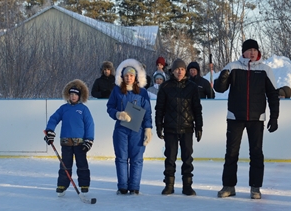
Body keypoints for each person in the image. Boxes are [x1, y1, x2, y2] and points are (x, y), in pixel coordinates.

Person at [214, 39, 280, 199]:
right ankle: (229, 186)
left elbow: (273, 95)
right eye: (249, 50)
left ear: (258, 52)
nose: (252, 52)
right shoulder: (232, 67)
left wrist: (274, 117)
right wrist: (222, 78)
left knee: (256, 153)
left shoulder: (265, 70)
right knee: (231, 153)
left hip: (257, 118)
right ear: (243, 52)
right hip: (235, 116)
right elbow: (219, 88)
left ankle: (255, 187)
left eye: (254, 50)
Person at [155, 58, 203, 196]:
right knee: (170, 157)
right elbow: (160, 109)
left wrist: (199, 126)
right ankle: (169, 185)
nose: (180, 72)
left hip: (187, 128)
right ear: (173, 71)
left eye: (182, 69)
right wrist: (159, 126)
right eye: (177, 69)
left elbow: (197, 108)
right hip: (170, 128)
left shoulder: (192, 87)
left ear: (185, 71)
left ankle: (187, 185)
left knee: (187, 158)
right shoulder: (165, 87)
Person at [106, 58, 152, 195]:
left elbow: (148, 112)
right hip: (121, 130)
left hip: (137, 130)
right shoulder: (117, 91)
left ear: (136, 77)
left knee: (137, 159)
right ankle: (123, 187)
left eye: (131, 75)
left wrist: (148, 129)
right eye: (126, 75)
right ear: (122, 76)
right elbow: (109, 107)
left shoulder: (142, 93)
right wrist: (118, 114)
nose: (129, 78)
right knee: (121, 158)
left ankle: (134, 187)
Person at [44, 79, 95, 196]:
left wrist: (89, 140)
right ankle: (62, 185)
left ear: (80, 96)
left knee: (82, 164)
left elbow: (90, 125)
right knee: (65, 165)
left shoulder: (83, 110)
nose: (73, 96)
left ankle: (84, 185)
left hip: (80, 144)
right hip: (66, 143)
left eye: (75, 94)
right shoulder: (64, 108)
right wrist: (50, 131)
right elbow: (53, 119)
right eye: (71, 94)